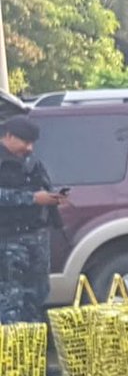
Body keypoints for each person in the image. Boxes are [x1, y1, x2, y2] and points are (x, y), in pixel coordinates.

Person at [0, 116, 65, 325]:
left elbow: (43, 185)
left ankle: (32, 348)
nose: (29, 148)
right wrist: (31, 199)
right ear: (8, 136)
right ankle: (11, 350)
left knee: (37, 294)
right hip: (8, 238)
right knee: (11, 299)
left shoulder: (32, 162)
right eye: (24, 141)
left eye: (32, 143)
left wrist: (52, 198)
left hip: (36, 236)